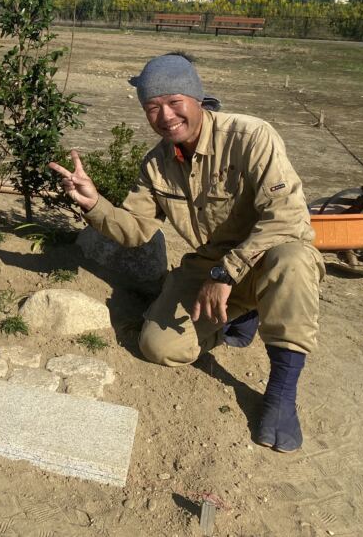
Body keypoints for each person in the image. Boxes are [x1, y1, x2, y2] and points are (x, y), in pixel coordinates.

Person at [49, 54, 323, 453]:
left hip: (268, 253)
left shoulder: (251, 136)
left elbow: (288, 218)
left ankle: (281, 393)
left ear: (198, 98)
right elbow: (135, 230)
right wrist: (95, 205)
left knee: (293, 261)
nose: (165, 116)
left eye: (174, 101)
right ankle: (242, 313)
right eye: (152, 107)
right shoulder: (157, 165)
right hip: (212, 265)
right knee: (159, 347)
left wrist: (225, 275)